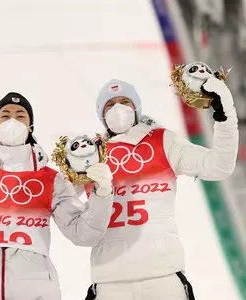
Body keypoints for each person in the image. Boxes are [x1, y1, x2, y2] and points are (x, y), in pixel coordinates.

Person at [0, 92, 114, 300]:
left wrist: (102, 193)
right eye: (5, 115)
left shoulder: (51, 180)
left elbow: (84, 233)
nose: (12, 120)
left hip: (36, 291)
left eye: (20, 116)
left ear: (31, 127)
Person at [82, 78, 239, 300]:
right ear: (101, 114)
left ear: (136, 108)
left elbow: (219, 166)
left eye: (125, 102)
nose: (118, 109)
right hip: (110, 282)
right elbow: (57, 200)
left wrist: (225, 117)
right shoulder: (87, 153)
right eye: (110, 104)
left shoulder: (163, 141)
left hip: (163, 277)